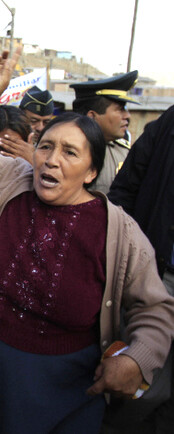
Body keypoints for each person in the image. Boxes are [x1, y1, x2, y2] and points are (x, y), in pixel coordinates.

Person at [0, 49, 174, 433]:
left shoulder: (120, 231)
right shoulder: (13, 180)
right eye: (46, 146)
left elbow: (155, 308)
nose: (51, 160)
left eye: (69, 152)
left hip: (63, 390)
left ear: (92, 171)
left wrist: (136, 360)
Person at [108, 104, 174, 433]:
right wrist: (133, 256)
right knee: (144, 390)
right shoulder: (166, 126)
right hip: (159, 277)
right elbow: (123, 193)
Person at [71, 71, 138, 194]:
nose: (127, 116)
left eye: (126, 109)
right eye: (120, 109)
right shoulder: (68, 152)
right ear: (92, 117)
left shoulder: (123, 151)